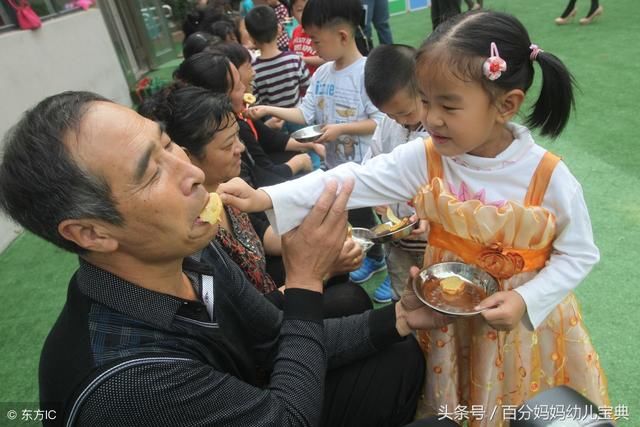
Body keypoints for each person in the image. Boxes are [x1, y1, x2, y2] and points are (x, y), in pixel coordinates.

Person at [218, 9, 610, 425]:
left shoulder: (547, 176)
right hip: (448, 319)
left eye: (448, 105)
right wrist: (265, 197)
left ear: (506, 105)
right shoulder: (427, 158)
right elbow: (355, 177)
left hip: (525, 327)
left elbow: (578, 254)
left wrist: (525, 299)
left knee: (519, 405)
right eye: (425, 100)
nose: (430, 118)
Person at [0, 91, 460, 426]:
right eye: (151, 171)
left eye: (167, 145)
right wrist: (304, 282)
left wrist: (400, 317)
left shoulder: (192, 247)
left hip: (253, 392)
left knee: (399, 354)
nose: (194, 172)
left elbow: (273, 338)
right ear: (90, 233)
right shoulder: (126, 382)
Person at [141, 85, 372, 316]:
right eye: (227, 144)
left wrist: (322, 245)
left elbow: (261, 234)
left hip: (271, 289)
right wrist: (322, 271)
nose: (240, 148)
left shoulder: (226, 189)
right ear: (185, 156)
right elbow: (249, 316)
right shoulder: (192, 232)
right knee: (350, 299)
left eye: (237, 138)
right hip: (261, 321)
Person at [246, 0, 388, 285]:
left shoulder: (367, 73)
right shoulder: (322, 74)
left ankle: (388, 259)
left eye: (315, 39)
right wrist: (269, 110)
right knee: (356, 215)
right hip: (337, 166)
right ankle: (373, 258)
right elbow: (304, 113)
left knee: (388, 216)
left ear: (343, 36)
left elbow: (380, 121)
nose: (311, 47)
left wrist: (340, 129)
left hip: (369, 165)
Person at [173, 51, 317, 187]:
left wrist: (309, 144)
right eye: (237, 86)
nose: (240, 147)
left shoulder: (240, 118)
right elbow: (262, 177)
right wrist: (298, 163)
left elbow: (270, 141)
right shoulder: (232, 128)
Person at [361, 44, 429, 303]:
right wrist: (377, 195)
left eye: (406, 112)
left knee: (436, 293)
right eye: (391, 114)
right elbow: (372, 165)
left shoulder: (440, 132)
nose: (400, 120)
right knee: (403, 295)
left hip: (433, 241)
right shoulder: (388, 124)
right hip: (397, 240)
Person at [244, 6, 311, 111]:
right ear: (279, 29)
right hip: (297, 116)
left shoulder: (253, 70)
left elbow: (255, 102)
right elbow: (309, 88)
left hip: (271, 121)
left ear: (251, 38)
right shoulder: (294, 59)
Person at [288, 0, 326, 76]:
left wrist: (302, 59)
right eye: (300, 10)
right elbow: (291, 52)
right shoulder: (296, 31)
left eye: (309, 9)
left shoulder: (322, 31)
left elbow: (326, 59)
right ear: (292, 13)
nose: (306, 14)